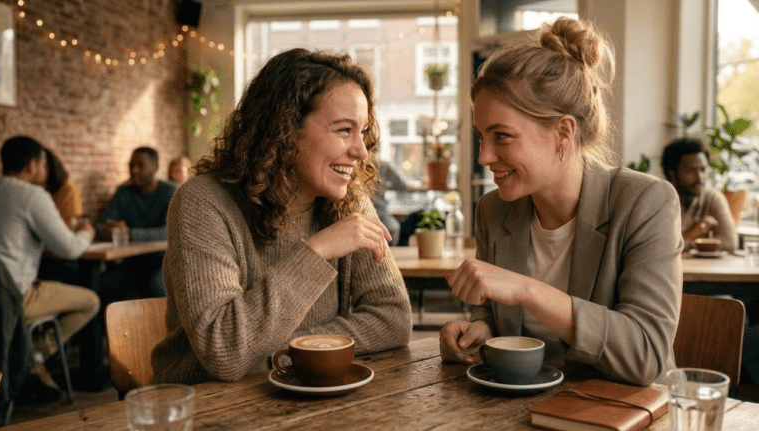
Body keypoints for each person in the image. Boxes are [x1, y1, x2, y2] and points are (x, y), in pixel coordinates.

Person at [438, 17, 683, 386]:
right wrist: (479, 329)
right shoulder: (494, 210)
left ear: (563, 133)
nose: (484, 157)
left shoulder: (645, 203)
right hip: (522, 408)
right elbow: (490, 310)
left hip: (623, 413)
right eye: (480, 137)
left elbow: (646, 356)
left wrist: (527, 290)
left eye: (501, 136)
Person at [150, 48, 412, 384]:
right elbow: (225, 353)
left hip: (308, 397)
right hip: (204, 407)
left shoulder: (349, 204)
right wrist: (316, 252)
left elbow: (393, 319)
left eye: (362, 132)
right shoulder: (203, 203)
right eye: (344, 130)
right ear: (285, 129)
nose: (360, 151)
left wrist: (287, 350)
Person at [0, 136, 100, 400]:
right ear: (32, 165)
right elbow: (71, 248)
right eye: (42, 163)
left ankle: (28, 358)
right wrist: (87, 232)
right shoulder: (32, 195)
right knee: (91, 301)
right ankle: (35, 356)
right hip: (12, 297)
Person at [95, 147, 178, 300]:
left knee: (157, 287)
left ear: (156, 167)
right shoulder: (123, 193)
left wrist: (130, 233)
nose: (134, 170)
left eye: (140, 165)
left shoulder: (170, 191)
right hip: (133, 264)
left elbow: (170, 231)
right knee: (99, 284)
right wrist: (108, 229)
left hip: (163, 262)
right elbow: (101, 225)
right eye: (131, 165)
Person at [661, 137, 737, 252]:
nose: (700, 177)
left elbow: (729, 242)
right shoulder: (659, 201)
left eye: (703, 169)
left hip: (702, 269)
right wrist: (691, 234)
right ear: (672, 174)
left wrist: (685, 243)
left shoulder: (712, 198)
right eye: (691, 170)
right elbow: (660, 249)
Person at [37, 147, 84, 285]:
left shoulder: (67, 190)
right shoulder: (28, 193)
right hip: (38, 257)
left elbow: (68, 231)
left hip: (58, 258)